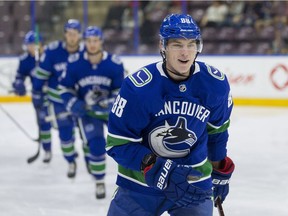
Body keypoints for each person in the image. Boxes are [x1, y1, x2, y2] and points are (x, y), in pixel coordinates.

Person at [106, 13, 235, 216]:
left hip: (194, 182)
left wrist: (219, 172)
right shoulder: (138, 88)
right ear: (163, 46)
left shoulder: (214, 84)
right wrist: (157, 168)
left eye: (191, 44)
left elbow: (217, 132)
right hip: (140, 186)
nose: (185, 52)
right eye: (177, 44)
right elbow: (118, 143)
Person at [58, 26, 125, 199]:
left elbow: (122, 90)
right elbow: (64, 88)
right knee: (96, 143)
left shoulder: (114, 63)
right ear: (84, 42)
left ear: (101, 41)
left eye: (95, 41)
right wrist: (75, 103)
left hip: (110, 113)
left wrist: (110, 102)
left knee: (127, 143)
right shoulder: (74, 63)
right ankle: (99, 181)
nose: (92, 44)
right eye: (89, 41)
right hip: (87, 113)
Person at [33, 19, 84, 178]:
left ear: (79, 35)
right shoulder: (53, 52)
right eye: (69, 33)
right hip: (59, 102)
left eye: (74, 34)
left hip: (80, 102)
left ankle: (93, 162)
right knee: (65, 133)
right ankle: (70, 160)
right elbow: (41, 75)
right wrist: (36, 92)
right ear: (65, 34)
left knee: (88, 135)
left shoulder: (87, 52)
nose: (72, 37)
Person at [12, 30, 52, 163]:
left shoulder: (49, 56)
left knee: (66, 123)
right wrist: (18, 84)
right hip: (38, 96)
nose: (30, 48)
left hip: (55, 95)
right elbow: (19, 76)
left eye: (32, 44)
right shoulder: (25, 60)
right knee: (43, 123)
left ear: (40, 44)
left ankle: (71, 149)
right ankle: (47, 150)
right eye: (28, 45)